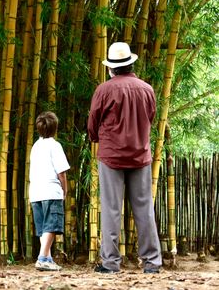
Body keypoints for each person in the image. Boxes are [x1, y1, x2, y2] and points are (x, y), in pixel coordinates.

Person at [87, 42, 162, 274]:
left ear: (111, 68)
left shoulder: (104, 90)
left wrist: (95, 138)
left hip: (111, 156)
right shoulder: (147, 89)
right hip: (140, 155)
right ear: (131, 64)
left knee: (110, 209)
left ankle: (110, 263)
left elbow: (93, 123)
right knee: (144, 209)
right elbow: (150, 118)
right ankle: (152, 263)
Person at [29, 111, 70, 271]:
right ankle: (41, 258)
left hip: (35, 192)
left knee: (43, 228)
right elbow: (62, 173)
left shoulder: (35, 146)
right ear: (55, 128)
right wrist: (64, 190)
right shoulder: (55, 146)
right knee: (51, 226)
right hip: (51, 191)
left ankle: (47, 258)